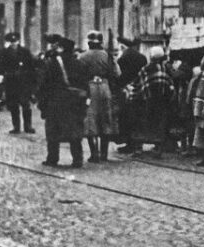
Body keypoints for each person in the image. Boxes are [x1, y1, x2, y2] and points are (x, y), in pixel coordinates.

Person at [38, 35, 88, 168]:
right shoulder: (79, 63)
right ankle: (77, 159)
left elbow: (44, 86)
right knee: (75, 131)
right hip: (74, 102)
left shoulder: (51, 63)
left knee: (53, 131)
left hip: (55, 102)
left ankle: (52, 159)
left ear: (61, 48)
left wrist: (42, 105)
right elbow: (85, 85)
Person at [78, 31, 120, 163]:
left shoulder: (82, 56)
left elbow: (78, 74)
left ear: (89, 43)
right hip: (105, 87)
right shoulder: (108, 56)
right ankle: (104, 154)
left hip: (89, 88)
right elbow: (117, 73)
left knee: (91, 119)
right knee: (106, 118)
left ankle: (94, 154)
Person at [127, 46, 176, 155]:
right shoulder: (166, 68)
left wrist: (133, 97)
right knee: (159, 124)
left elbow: (138, 84)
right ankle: (158, 148)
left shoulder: (146, 69)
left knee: (142, 123)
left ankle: (138, 148)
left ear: (151, 56)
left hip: (147, 101)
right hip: (162, 101)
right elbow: (170, 84)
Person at [0, 32, 37, 134]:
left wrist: (31, 80)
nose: (13, 44)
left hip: (23, 82)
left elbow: (31, 66)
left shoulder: (25, 51)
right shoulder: (4, 53)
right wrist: (2, 75)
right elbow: (0, 66)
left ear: (18, 41)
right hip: (11, 82)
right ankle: (16, 127)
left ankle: (28, 126)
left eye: (14, 41)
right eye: (11, 42)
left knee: (26, 105)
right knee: (13, 105)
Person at [116, 37, 147, 153]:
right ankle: (138, 143)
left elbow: (119, 76)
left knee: (126, 118)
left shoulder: (122, 58)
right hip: (140, 89)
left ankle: (129, 143)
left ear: (122, 46)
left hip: (126, 91)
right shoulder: (142, 57)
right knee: (138, 118)